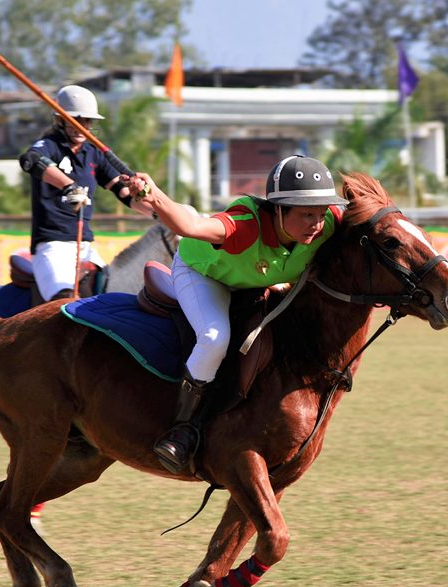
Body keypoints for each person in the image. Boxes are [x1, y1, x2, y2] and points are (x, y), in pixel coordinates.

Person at [126, 155, 348, 474]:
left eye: (321, 212)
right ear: (278, 210)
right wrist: (155, 194)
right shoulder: (244, 226)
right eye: (306, 213)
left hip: (253, 281)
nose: (316, 222)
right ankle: (183, 428)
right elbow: (189, 226)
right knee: (215, 337)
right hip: (205, 274)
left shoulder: (327, 225)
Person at [18, 85, 138, 301]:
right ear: (60, 120)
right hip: (52, 245)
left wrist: (159, 210)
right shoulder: (49, 146)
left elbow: (125, 193)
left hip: (85, 247)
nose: (81, 126)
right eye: (75, 119)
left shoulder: (93, 153)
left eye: (86, 121)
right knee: (63, 302)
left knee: (115, 295)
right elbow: (30, 160)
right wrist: (68, 185)